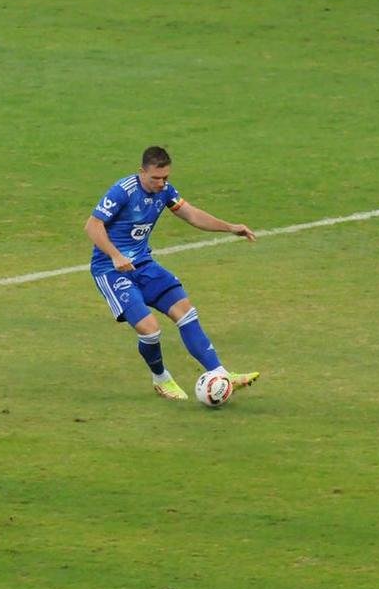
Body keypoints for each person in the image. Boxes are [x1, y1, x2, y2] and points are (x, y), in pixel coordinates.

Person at [85, 146, 260, 401]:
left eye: (165, 177)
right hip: (111, 270)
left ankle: (220, 373)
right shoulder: (123, 191)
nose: (161, 182)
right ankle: (161, 379)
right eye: (155, 177)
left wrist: (230, 227)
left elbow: (191, 214)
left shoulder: (165, 191)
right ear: (142, 172)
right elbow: (92, 225)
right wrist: (115, 254)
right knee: (150, 329)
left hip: (143, 265)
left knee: (186, 312)